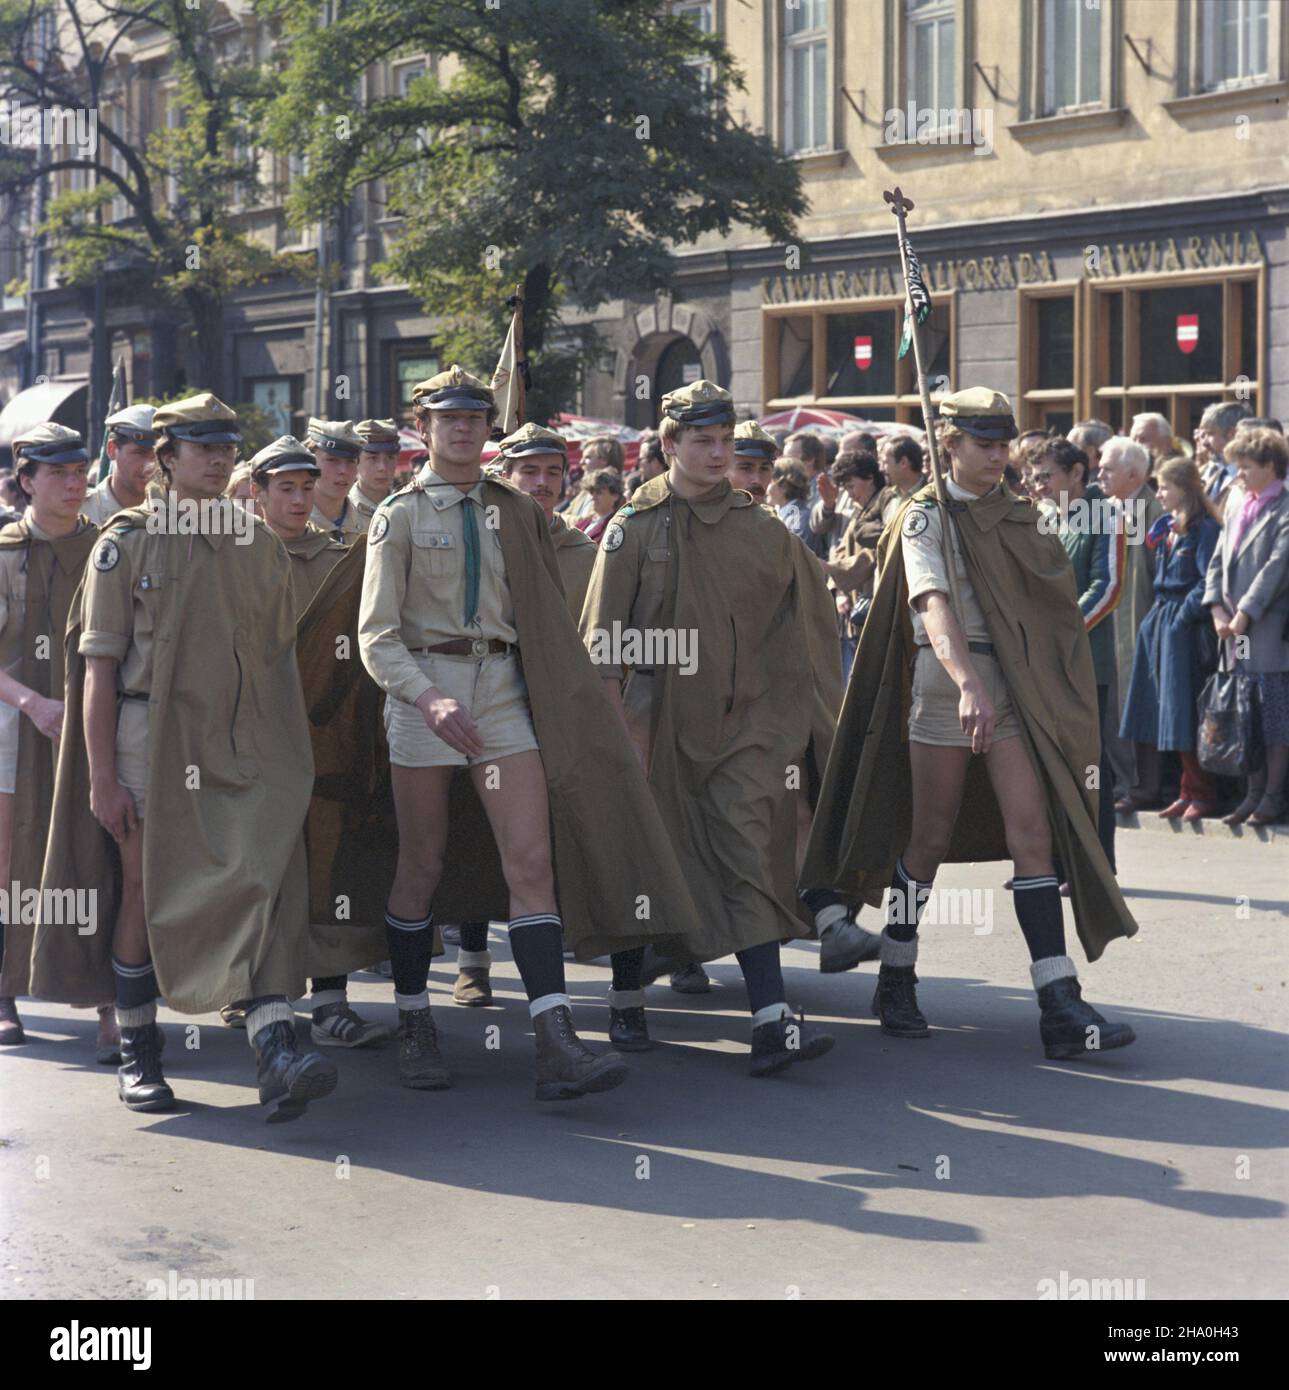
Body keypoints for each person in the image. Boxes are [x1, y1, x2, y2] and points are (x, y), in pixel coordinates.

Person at [357, 365, 691, 1099]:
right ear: (425, 428)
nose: (464, 428)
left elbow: (575, 569)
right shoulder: (400, 516)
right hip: (426, 691)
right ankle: (414, 1019)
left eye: (476, 418)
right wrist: (425, 698)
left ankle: (554, 1038)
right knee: (422, 862)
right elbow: (374, 637)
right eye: (449, 419)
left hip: (504, 690)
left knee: (531, 863)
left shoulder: (514, 509)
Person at [802, 388, 1137, 1063]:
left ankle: (1057, 999)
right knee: (926, 837)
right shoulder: (924, 515)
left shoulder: (1020, 514)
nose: (995, 454)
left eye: (1001, 442)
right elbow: (929, 605)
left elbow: (1050, 607)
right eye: (981, 443)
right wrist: (964, 685)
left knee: (1033, 833)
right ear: (947, 443)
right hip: (942, 683)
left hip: (1014, 688)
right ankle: (896, 974)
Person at [32, 394, 338, 1121]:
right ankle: (140, 1051)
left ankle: (275, 1047)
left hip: (238, 745)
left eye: (228, 446)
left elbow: (270, 662)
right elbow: (97, 670)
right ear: (166, 458)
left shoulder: (254, 542)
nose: (221, 458)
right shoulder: (125, 541)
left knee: (254, 878)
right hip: (148, 742)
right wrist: (102, 778)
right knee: (145, 890)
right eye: (203, 446)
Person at [582, 379, 839, 1073]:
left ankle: (768, 1019)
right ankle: (625, 999)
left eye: (726, 441)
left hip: (742, 729)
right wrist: (613, 738)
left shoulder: (761, 531)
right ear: (668, 447)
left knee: (749, 855)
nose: (719, 453)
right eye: (702, 441)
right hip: (651, 724)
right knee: (649, 858)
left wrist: (792, 721)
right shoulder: (630, 528)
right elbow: (602, 645)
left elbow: (803, 630)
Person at [247, 434, 394, 1045]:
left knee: (331, 870)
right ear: (257, 495)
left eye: (308, 487)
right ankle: (256, 995)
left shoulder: (340, 557)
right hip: (254, 743)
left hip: (328, 739)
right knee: (261, 871)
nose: (300, 499)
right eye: (286, 488)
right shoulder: (236, 558)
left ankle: (332, 1004)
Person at [0, 425, 112, 1057]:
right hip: (16, 724)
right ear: (27, 482)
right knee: (10, 864)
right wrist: (32, 702)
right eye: (59, 474)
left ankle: (107, 1000)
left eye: (79, 472)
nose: (75, 484)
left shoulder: (107, 550)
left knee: (94, 853)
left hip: (90, 726)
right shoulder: (4, 551)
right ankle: (6, 991)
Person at [1029, 436, 1123, 868]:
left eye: (1047, 475)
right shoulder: (1050, 519)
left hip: (1087, 662)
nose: (1039, 484)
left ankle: (1096, 864)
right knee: (1052, 761)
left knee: (1090, 765)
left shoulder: (1107, 516)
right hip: (1048, 661)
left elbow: (1107, 588)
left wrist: (1063, 633)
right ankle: (1055, 861)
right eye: (1035, 475)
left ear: (1077, 473)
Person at [1119, 457, 1221, 821]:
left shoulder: (1204, 529)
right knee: (1162, 708)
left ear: (1185, 488)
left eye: (1164, 486)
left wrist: (1182, 617)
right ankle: (1184, 787)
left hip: (1185, 628)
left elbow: (1209, 578)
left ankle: (1202, 790)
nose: (1158, 493)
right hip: (1161, 621)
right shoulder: (1168, 527)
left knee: (1185, 710)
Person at [1204, 427, 1289, 824]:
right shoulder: (1239, 501)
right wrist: (1216, 609)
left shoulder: (1284, 508)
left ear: (1270, 466)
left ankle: (1272, 797)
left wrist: (1243, 614)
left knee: (1272, 716)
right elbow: (1218, 558)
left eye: (1247, 466)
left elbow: (1276, 568)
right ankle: (1250, 795)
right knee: (1243, 714)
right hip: (1232, 630)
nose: (1238, 474)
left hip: (1267, 630)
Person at [1100, 437, 1165, 813]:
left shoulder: (1152, 512)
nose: (1101, 473)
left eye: (1109, 468)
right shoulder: (1107, 508)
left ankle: (1141, 785)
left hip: (1139, 620)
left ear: (1134, 474)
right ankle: (1123, 781)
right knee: (1111, 705)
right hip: (1109, 620)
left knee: (1135, 702)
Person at [819, 451, 886, 682]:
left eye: (851, 486)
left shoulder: (884, 506)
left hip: (874, 605)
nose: (850, 494)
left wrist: (831, 568)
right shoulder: (860, 511)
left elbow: (877, 553)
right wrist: (838, 590)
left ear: (869, 477)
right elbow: (840, 550)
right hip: (852, 607)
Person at [82, 405, 157, 526]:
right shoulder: (80, 512)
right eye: (139, 453)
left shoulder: (176, 513)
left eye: (157, 455)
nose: (151, 465)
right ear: (112, 450)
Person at [305, 417, 367, 540]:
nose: (343, 471)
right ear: (311, 463)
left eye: (350, 461)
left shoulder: (370, 524)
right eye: (332, 460)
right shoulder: (294, 524)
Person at [1194, 401, 1253, 511]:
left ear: (1232, 434)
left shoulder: (1252, 478)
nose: (1204, 443)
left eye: (1211, 434)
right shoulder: (1205, 473)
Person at [351, 418, 400, 525]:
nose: (382, 467)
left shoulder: (407, 506)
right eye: (373, 458)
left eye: (390, 457)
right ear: (355, 461)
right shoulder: (340, 508)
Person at [878, 433, 925, 525]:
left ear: (903, 463)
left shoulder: (932, 495)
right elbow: (864, 525)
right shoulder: (887, 494)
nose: (881, 468)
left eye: (885, 462)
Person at [574, 467, 626, 545]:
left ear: (615, 496)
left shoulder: (615, 527)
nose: (593, 497)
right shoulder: (583, 523)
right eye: (591, 492)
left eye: (599, 493)